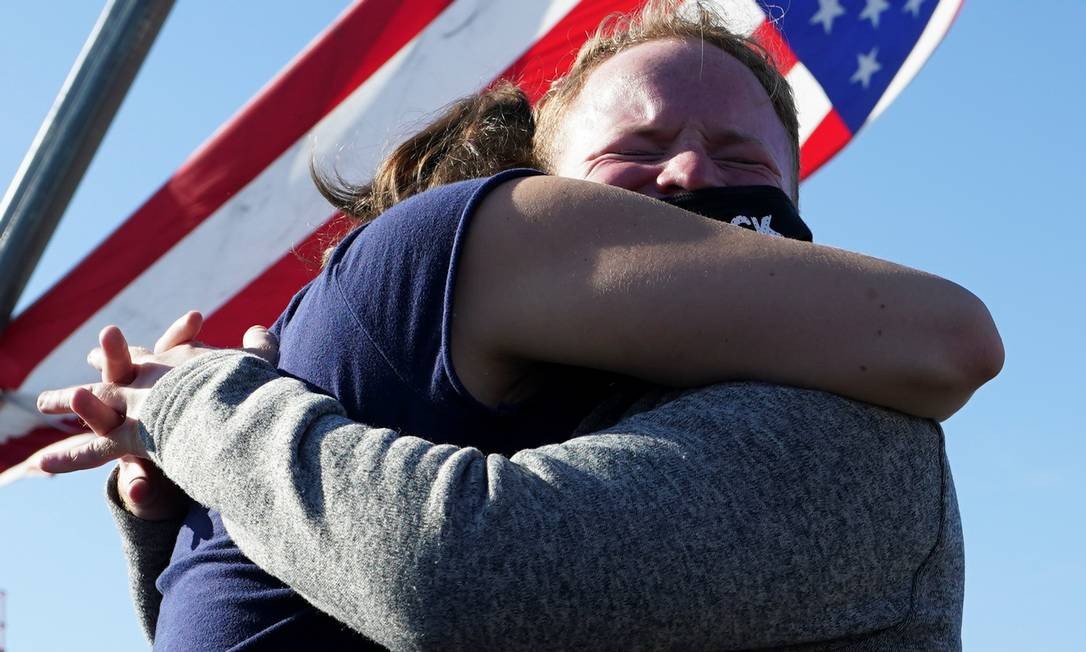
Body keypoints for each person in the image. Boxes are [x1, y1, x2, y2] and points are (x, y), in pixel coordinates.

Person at [37, 2, 1001, 650]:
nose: (692, 173)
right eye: (640, 145)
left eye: (740, 152)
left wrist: (209, 411)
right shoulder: (443, 402)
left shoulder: (852, 436)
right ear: (542, 195)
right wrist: (180, 512)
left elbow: (456, 575)